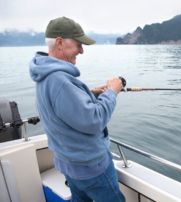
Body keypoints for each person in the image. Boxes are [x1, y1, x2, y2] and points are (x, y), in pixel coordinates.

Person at [29, 16, 125, 202]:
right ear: (59, 42)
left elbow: (66, 109)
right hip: (91, 167)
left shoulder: (44, 75)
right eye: (78, 45)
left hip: (69, 164)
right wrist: (112, 93)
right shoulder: (61, 80)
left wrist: (98, 95)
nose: (81, 51)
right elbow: (94, 120)